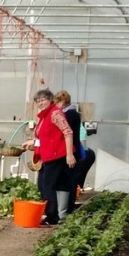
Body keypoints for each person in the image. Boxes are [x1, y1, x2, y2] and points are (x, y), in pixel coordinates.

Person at [23, 89, 75, 225]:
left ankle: (52, 216)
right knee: (47, 185)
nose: (40, 103)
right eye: (38, 101)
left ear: (50, 100)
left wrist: (69, 154)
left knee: (46, 186)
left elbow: (68, 132)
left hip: (57, 155)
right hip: (49, 155)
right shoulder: (43, 116)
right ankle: (56, 215)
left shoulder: (55, 113)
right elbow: (46, 138)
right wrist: (33, 143)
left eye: (43, 100)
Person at [53, 91, 83, 212]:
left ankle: (67, 208)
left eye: (58, 102)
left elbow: (66, 133)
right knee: (68, 179)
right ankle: (65, 208)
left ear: (64, 102)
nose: (57, 106)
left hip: (71, 151)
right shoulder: (71, 113)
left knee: (68, 179)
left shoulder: (70, 114)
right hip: (71, 150)